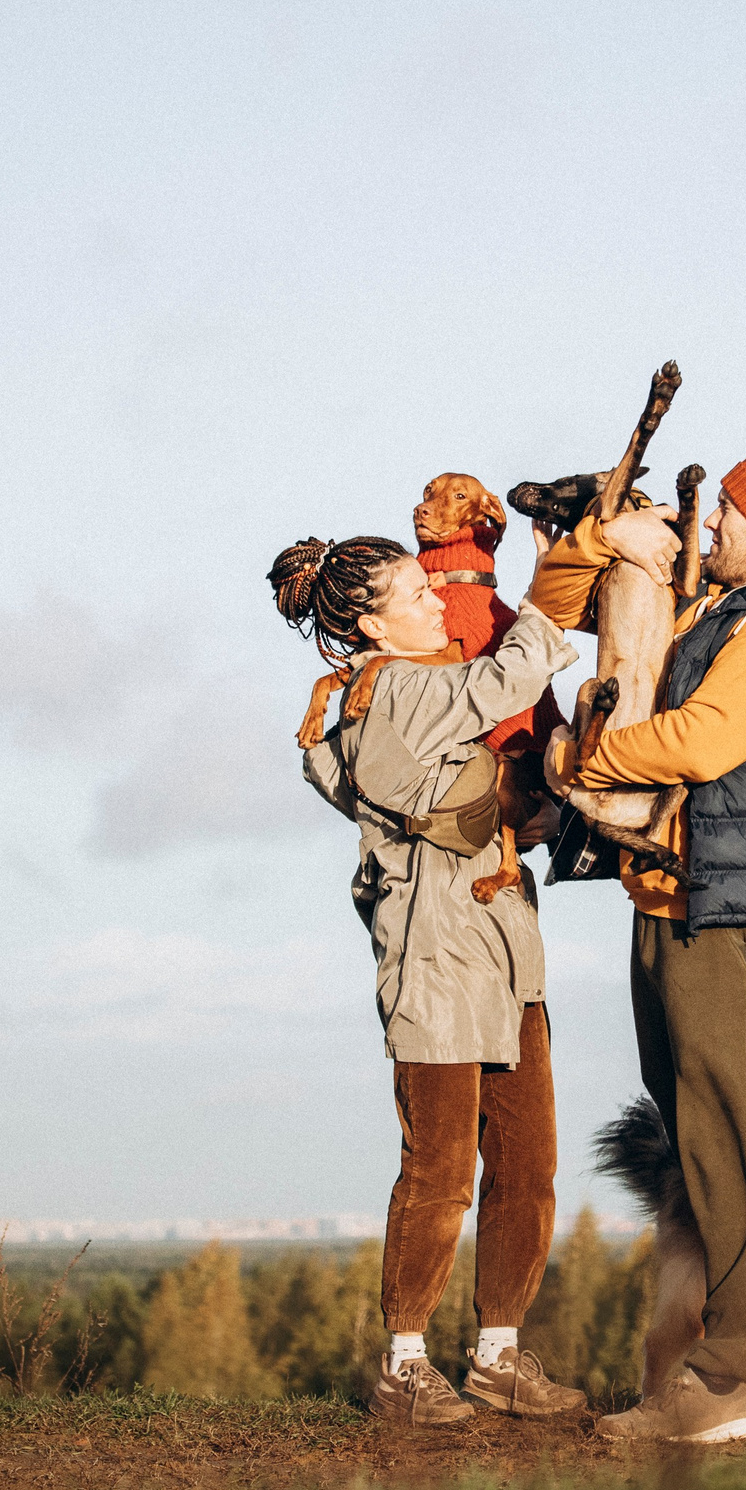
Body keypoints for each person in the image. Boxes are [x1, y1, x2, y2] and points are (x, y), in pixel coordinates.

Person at [526, 450, 746, 1443]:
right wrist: (605, 537)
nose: (708, 521)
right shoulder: (715, 607)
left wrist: (588, 760)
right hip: (678, 894)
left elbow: (706, 738)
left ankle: (725, 1381)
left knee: (724, 1138)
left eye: (727, 509)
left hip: (735, 910)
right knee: (709, 1140)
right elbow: (559, 607)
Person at [270, 534, 588, 1426]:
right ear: (372, 624)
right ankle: (403, 1366)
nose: (438, 603)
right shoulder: (399, 693)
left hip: (505, 952)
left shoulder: (408, 686)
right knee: (441, 1170)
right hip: (436, 960)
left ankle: (498, 1358)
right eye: (415, 593)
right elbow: (506, 680)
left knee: (526, 1164)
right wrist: (554, 589)